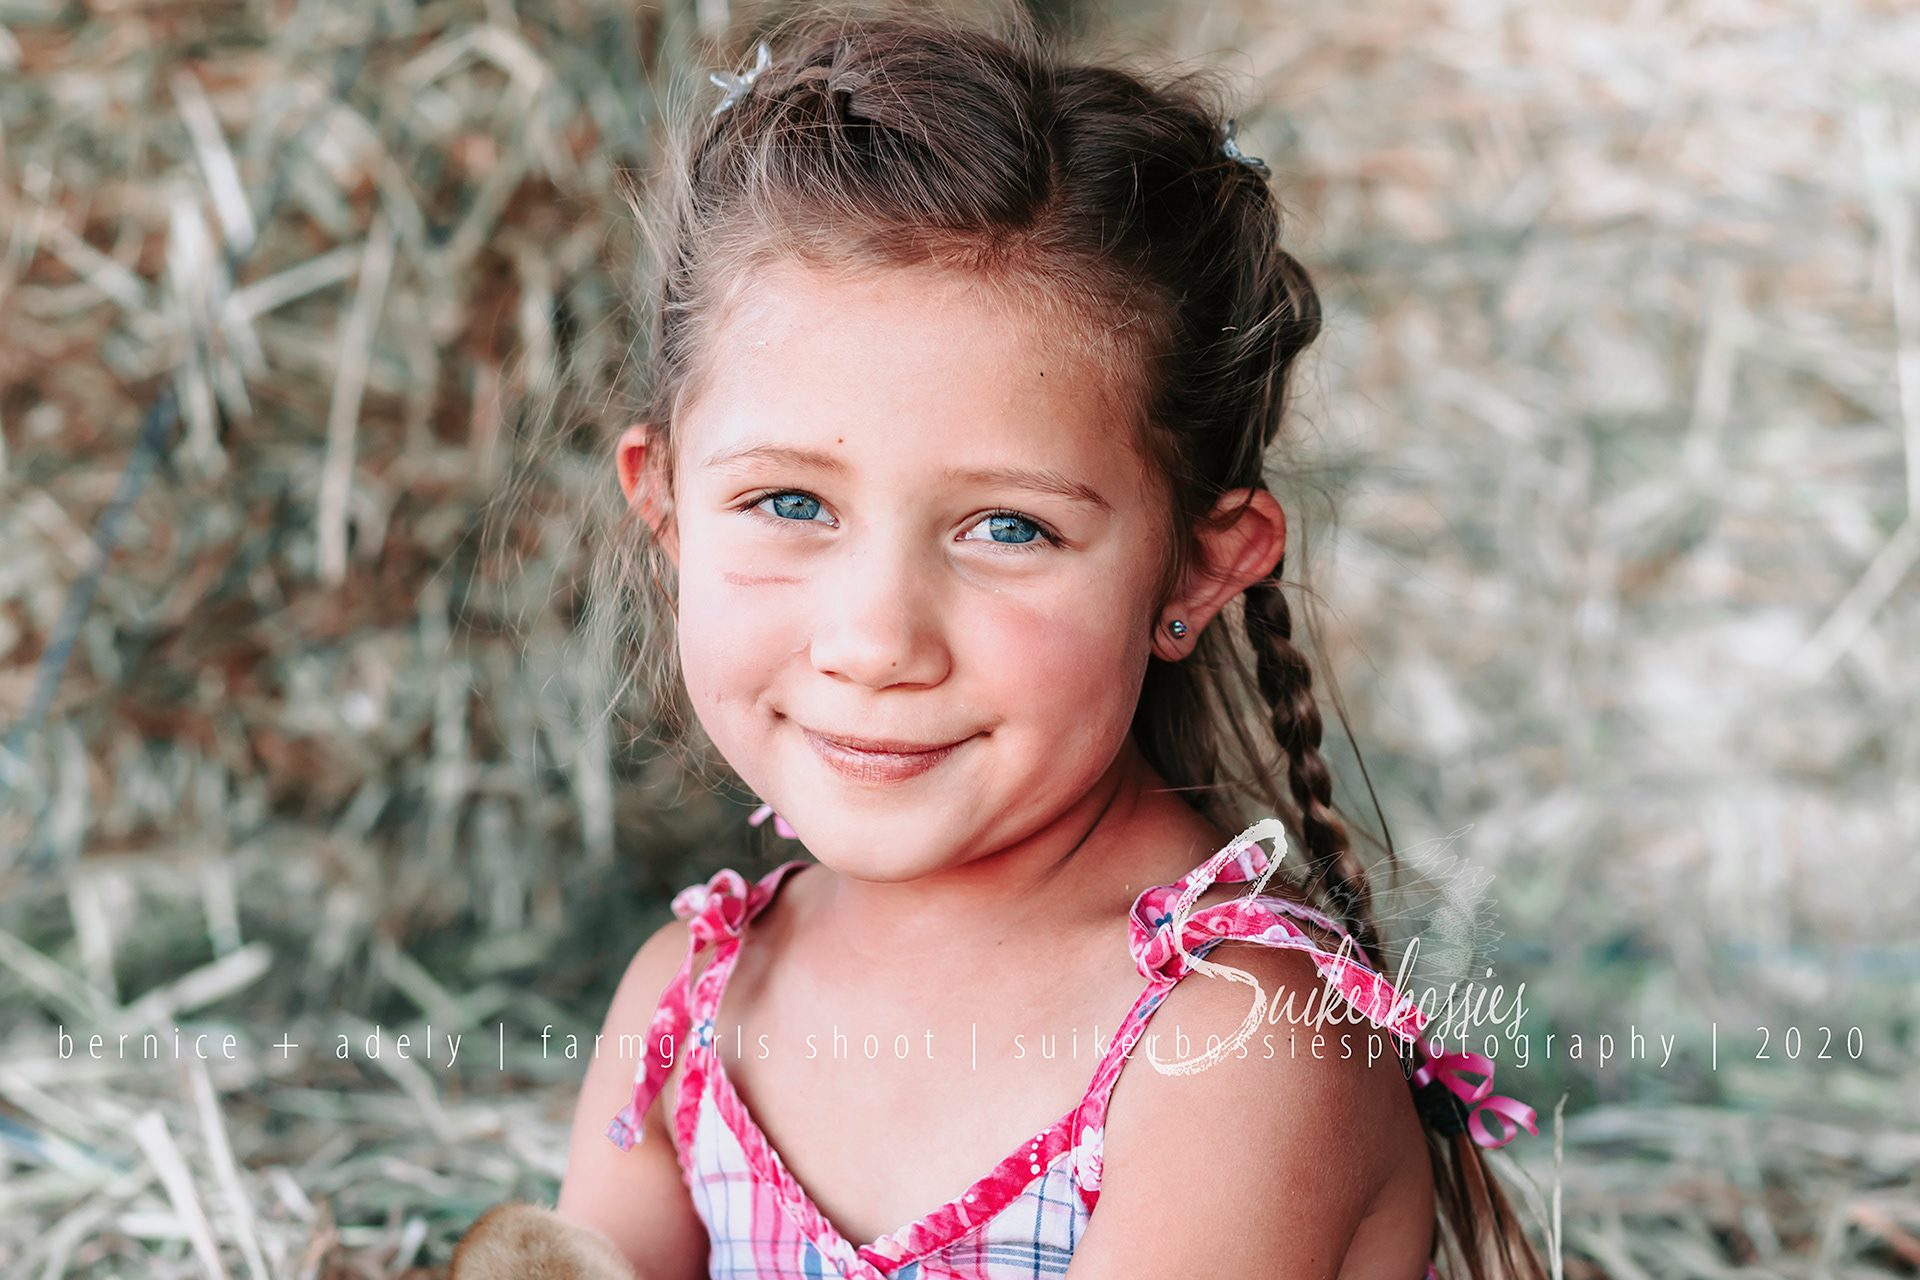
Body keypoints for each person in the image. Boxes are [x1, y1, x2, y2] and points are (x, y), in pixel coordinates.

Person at [552, 12, 1544, 1278]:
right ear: (668, 515)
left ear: (1196, 568)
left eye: (1008, 527)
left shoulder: (1236, 1045)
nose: (876, 641)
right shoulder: (690, 1003)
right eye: (790, 502)